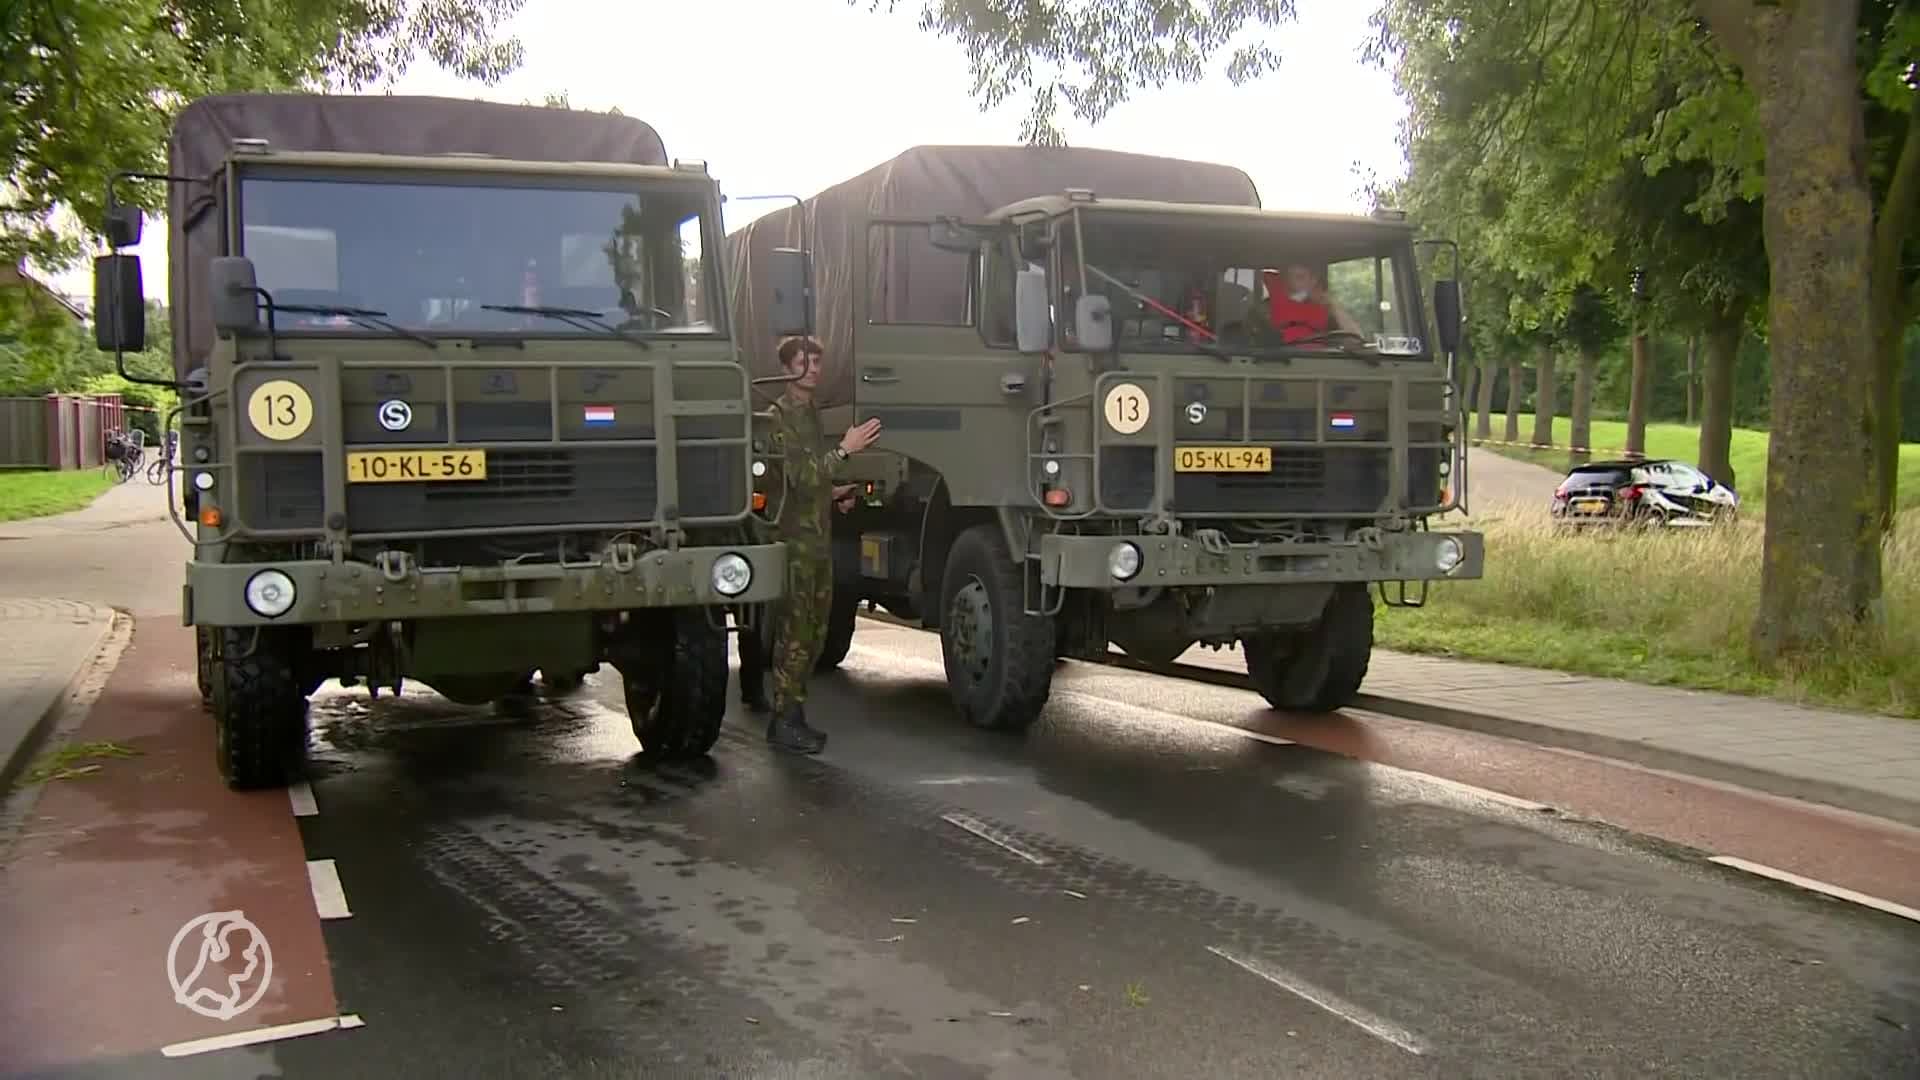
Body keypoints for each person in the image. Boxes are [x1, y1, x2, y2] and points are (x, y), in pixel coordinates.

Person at [757, 335, 883, 754]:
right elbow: (799, 479)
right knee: (794, 632)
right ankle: (784, 718)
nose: (813, 368)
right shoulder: (779, 417)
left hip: (816, 538)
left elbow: (812, 482)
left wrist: (835, 494)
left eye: (816, 362)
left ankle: (794, 713)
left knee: (814, 631)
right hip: (793, 542)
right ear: (787, 367)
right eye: (804, 361)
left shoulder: (809, 413)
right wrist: (845, 451)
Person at [1261, 263, 1365, 343]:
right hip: (1282, 362)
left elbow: (1356, 339)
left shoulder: (1326, 309)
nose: (1292, 283)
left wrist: (1331, 304)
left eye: (1300, 277)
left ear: (1314, 279)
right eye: (1290, 277)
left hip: (1319, 361)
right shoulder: (1268, 304)